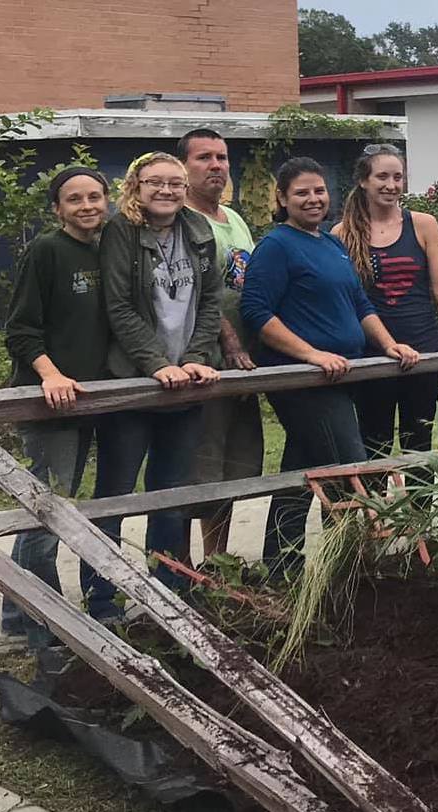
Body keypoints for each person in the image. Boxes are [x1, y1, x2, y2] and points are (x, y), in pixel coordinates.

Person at [241, 157, 420, 582]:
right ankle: (350, 566)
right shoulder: (277, 246)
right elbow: (255, 311)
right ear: (282, 199)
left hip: (341, 378)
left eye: (319, 190)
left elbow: (359, 304)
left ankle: (282, 564)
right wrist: (310, 354)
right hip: (306, 382)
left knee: (301, 470)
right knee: (348, 471)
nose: (313, 199)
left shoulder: (331, 243)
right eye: (301, 192)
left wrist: (389, 343)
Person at [98, 151, 223, 597]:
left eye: (174, 182)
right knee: (115, 491)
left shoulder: (198, 229)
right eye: (155, 182)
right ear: (135, 186)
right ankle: (103, 594)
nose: (166, 190)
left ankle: (167, 588)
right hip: (134, 381)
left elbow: (211, 301)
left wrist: (194, 357)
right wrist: (158, 364)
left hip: (188, 381)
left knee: (171, 491)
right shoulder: (121, 232)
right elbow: (119, 306)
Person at [1, 166, 113, 643]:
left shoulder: (111, 248)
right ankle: (44, 622)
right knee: (47, 509)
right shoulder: (47, 251)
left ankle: (16, 614)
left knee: (46, 505)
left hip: (93, 399)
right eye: (74, 199)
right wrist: (51, 375)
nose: (86, 206)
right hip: (50, 401)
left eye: (94, 196)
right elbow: (21, 328)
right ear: (57, 209)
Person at [331, 143, 438, 458]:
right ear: (363, 180)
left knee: (420, 438)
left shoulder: (423, 224)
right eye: (382, 177)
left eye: (398, 177)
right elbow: (346, 299)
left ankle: (419, 509)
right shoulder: (342, 233)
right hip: (371, 350)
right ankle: (373, 508)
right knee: (374, 441)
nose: (391, 185)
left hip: (422, 345)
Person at [176, 128, 263, 560]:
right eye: (204, 158)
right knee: (203, 465)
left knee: (235, 461)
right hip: (208, 361)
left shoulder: (235, 218)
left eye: (222, 157)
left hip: (246, 362)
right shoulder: (183, 221)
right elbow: (199, 293)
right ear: (184, 167)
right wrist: (229, 343)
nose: (216, 166)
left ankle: (217, 561)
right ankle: (182, 566)